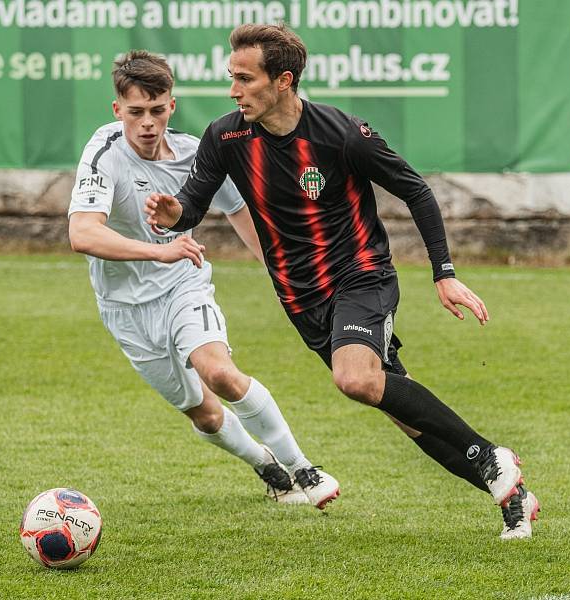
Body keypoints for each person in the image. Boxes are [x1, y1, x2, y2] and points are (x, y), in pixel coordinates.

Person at [144, 25, 540, 539]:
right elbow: (191, 207)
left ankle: (493, 457)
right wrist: (174, 214)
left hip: (361, 277)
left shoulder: (341, 135)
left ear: (283, 80)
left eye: (245, 78)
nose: (233, 90)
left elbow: (417, 191)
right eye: (231, 78)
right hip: (299, 298)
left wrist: (444, 274)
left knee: (355, 379)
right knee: (400, 407)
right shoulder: (226, 137)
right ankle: (510, 493)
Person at [68, 50, 340, 510]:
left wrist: (281, 274)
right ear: (118, 111)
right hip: (125, 307)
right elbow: (82, 233)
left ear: (172, 106)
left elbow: (241, 212)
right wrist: (160, 249)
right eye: (136, 112)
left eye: (157, 110)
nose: (148, 123)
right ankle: (265, 464)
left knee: (219, 373)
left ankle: (303, 468)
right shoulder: (104, 153)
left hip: (182, 285)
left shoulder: (197, 153)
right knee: (205, 413)